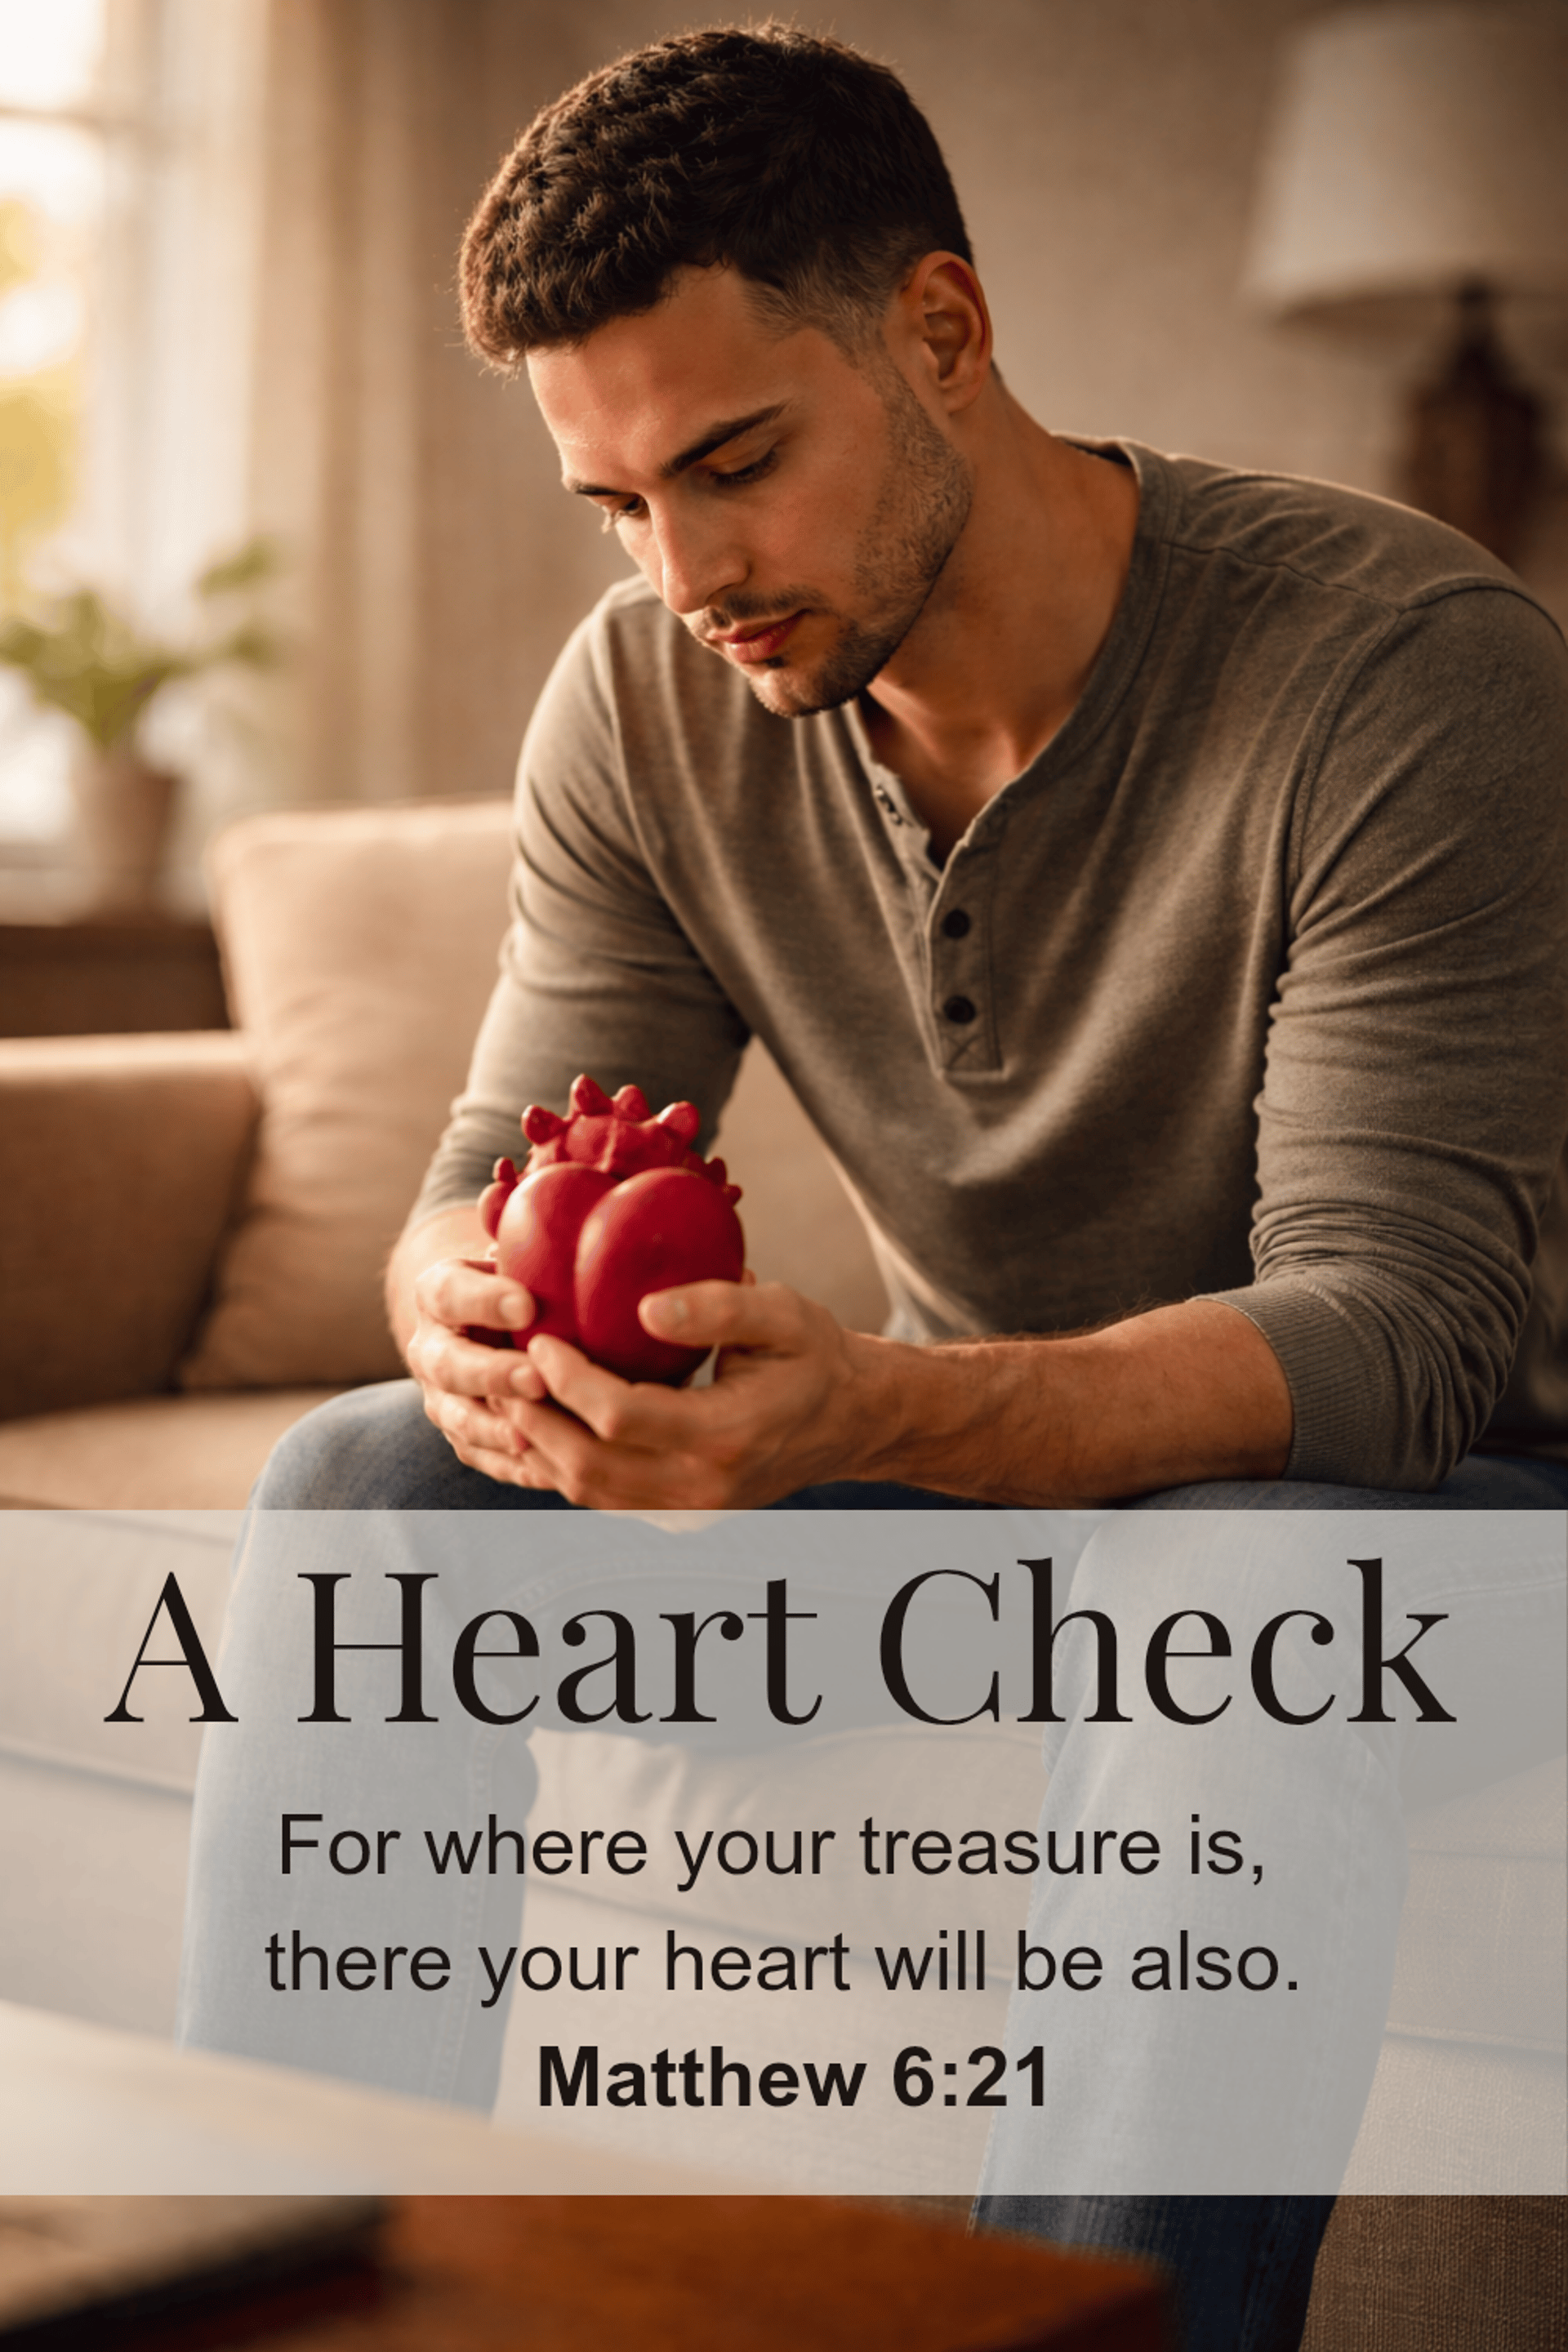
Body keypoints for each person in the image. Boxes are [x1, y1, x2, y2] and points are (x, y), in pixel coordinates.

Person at [176, 27, 1568, 2350]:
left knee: (1230, 1599)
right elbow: (477, 1181)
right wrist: (467, 1314)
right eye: (615, 504)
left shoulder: (1400, 671)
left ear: (942, 328)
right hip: (991, 1490)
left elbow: (1394, 1341)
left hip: (1462, 1501)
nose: (688, 570)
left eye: (738, 462)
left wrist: (872, 1418)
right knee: (362, 1480)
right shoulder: (647, 701)